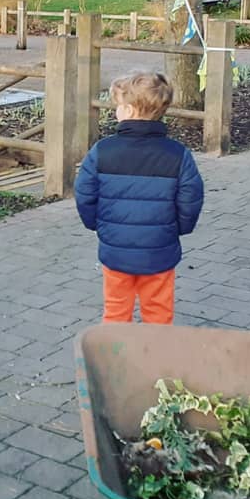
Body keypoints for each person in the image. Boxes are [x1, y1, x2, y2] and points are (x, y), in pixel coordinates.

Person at [75, 70, 204, 324]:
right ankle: (153, 359)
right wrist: (177, 229)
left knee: (116, 309)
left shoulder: (102, 150)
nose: (116, 111)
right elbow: (191, 199)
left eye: (119, 106)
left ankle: (114, 357)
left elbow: (84, 194)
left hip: (116, 248)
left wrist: (98, 224)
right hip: (159, 248)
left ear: (131, 110)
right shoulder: (178, 154)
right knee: (158, 311)